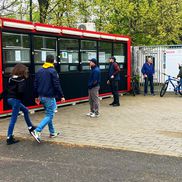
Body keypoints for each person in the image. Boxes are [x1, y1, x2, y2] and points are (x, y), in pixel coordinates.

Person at [31, 55, 65, 143]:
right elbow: (56, 84)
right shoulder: (52, 71)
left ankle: (52, 132)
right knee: (49, 115)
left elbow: (35, 85)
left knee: (49, 114)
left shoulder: (39, 70)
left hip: (41, 96)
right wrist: (61, 96)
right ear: (53, 61)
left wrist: (36, 97)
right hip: (49, 96)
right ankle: (37, 131)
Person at [6, 64, 36, 145]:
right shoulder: (21, 80)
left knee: (25, 110)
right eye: (25, 70)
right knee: (13, 119)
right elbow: (21, 92)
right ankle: (9, 137)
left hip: (10, 99)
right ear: (21, 71)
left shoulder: (11, 78)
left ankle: (30, 127)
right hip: (16, 101)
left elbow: (7, 89)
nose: (26, 72)